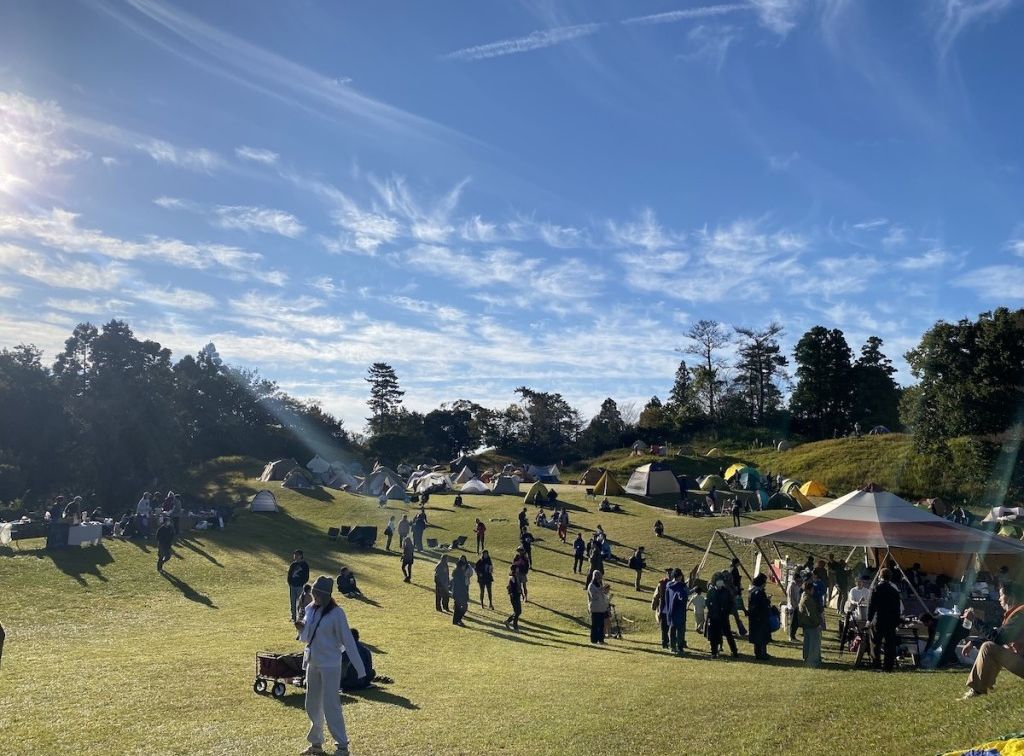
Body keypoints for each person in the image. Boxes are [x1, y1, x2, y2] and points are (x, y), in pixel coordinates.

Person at [295, 575, 364, 756]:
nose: (314, 597)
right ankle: (316, 744)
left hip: (330, 665)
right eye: (314, 593)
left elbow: (347, 641)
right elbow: (307, 635)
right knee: (312, 704)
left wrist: (360, 668)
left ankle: (342, 746)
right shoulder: (310, 608)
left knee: (331, 704)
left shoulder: (337, 613)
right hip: (313, 662)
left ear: (326, 595)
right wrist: (301, 628)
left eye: (318, 594)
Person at [961, 583, 1024, 699]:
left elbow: (998, 638)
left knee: (989, 647)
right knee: (995, 647)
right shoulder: (1018, 614)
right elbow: (999, 635)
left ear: (1011, 597)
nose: (999, 599)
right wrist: (974, 642)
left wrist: (974, 620)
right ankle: (983, 685)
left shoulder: (1020, 615)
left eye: (1001, 595)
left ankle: (977, 690)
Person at [868, 567, 903, 672]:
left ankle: (876, 665)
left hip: (879, 619)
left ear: (880, 576)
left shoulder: (876, 589)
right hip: (891, 620)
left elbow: (871, 605)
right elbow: (897, 608)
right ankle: (888, 666)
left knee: (875, 643)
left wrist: (869, 619)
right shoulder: (894, 591)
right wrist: (897, 622)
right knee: (890, 644)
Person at [706, 572, 739, 658]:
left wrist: (727, 611)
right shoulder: (711, 591)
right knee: (714, 635)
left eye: (721, 580)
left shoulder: (726, 591)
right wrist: (712, 611)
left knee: (728, 634)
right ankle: (714, 652)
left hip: (724, 616)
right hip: (714, 617)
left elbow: (731, 602)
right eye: (718, 580)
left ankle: (734, 651)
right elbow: (708, 603)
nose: (720, 582)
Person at [798, 579, 822, 668]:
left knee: (807, 643)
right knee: (814, 644)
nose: (813, 591)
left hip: (806, 624)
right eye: (812, 589)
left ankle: (807, 658)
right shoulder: (808, 599)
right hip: (811, 624)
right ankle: (812, 661)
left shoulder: (803, 597)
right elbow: (812, 614)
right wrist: (817, 624)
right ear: (808, 589)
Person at [747, 574, 772, 660]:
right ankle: (762, 654)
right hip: (760, 617)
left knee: (757, 637)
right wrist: (767, 601)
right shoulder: (759, 592)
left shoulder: (752, 591)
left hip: (754, 617)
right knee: (762, 637)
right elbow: (762, 605)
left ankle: (759, 653)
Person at [665, 568, 689, 654]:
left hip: (670, 611)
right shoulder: (681, 587)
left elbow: (666, 598)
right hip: (680, 611)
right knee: (681, 631)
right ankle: (680, 647)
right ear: (679, 576)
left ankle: (672, 647)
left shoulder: (668, 585)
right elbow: (683, 597)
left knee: (672, 629)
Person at [587, 571, 611, 644]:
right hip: (595, 609)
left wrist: (605, 590)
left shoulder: (599, 585)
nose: (600, 579)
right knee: (595, 625)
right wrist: (601, 589)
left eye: (600, 578)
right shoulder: (591, 586)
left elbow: (603, 595)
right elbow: (594, 597)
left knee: (601, 625)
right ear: (595, 577)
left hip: (602, 608)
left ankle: (601, 640)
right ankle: (594, 640)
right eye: (598, 577)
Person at [651, 568, 673, 648]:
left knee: (672, 627)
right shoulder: (662, 583)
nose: (669, 575)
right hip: (664, 608)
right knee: (664, 627)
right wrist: (654, 605)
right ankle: (665, 642)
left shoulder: (676, 583)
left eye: (671, 573)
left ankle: (671, 642)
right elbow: (656, 595)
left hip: (673, 609)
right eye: (668, 573)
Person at [288, 550, 310, 622]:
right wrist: (290, 583)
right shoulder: (293, 565)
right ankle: (293, 617)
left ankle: (301, 617)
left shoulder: (304, 565)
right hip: (292, 586)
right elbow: (289, 575)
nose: (295, 556)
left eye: (297, 555)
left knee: (301, 602)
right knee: (293, 602)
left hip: (300, 586)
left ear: (301, 556)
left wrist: (302, 583)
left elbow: (306, 576)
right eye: (295, 555)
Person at [451, 556, 470, 626]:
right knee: (462, 607)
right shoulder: (459, 574)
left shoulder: (458, 573)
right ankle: (458, 620)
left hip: (457, 593)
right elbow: (461, 585)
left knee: (458, 608)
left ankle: (456, 621)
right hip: (459, 594)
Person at [503, 567, 522, 631]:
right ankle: (515, 627)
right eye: (517, 569)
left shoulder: (516, 577)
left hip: (517, 596)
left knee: (518, 611)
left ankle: (508, 622)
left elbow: (519, 586)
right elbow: (510, 587)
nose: (518, 570)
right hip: (514, 596)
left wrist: (521, 593)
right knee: (517, 611)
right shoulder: (512, 577)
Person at [787, 570, 803, 642]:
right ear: (795, 579)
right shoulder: (791, 585)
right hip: (792, 606)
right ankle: (791, 637)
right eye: (798, 580)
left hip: (797, 605)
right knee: (793, 622)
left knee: (796, 623)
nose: (800, 582)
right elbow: (790, 597)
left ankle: (793, 635)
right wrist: (794, 606)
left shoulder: (798, 586)